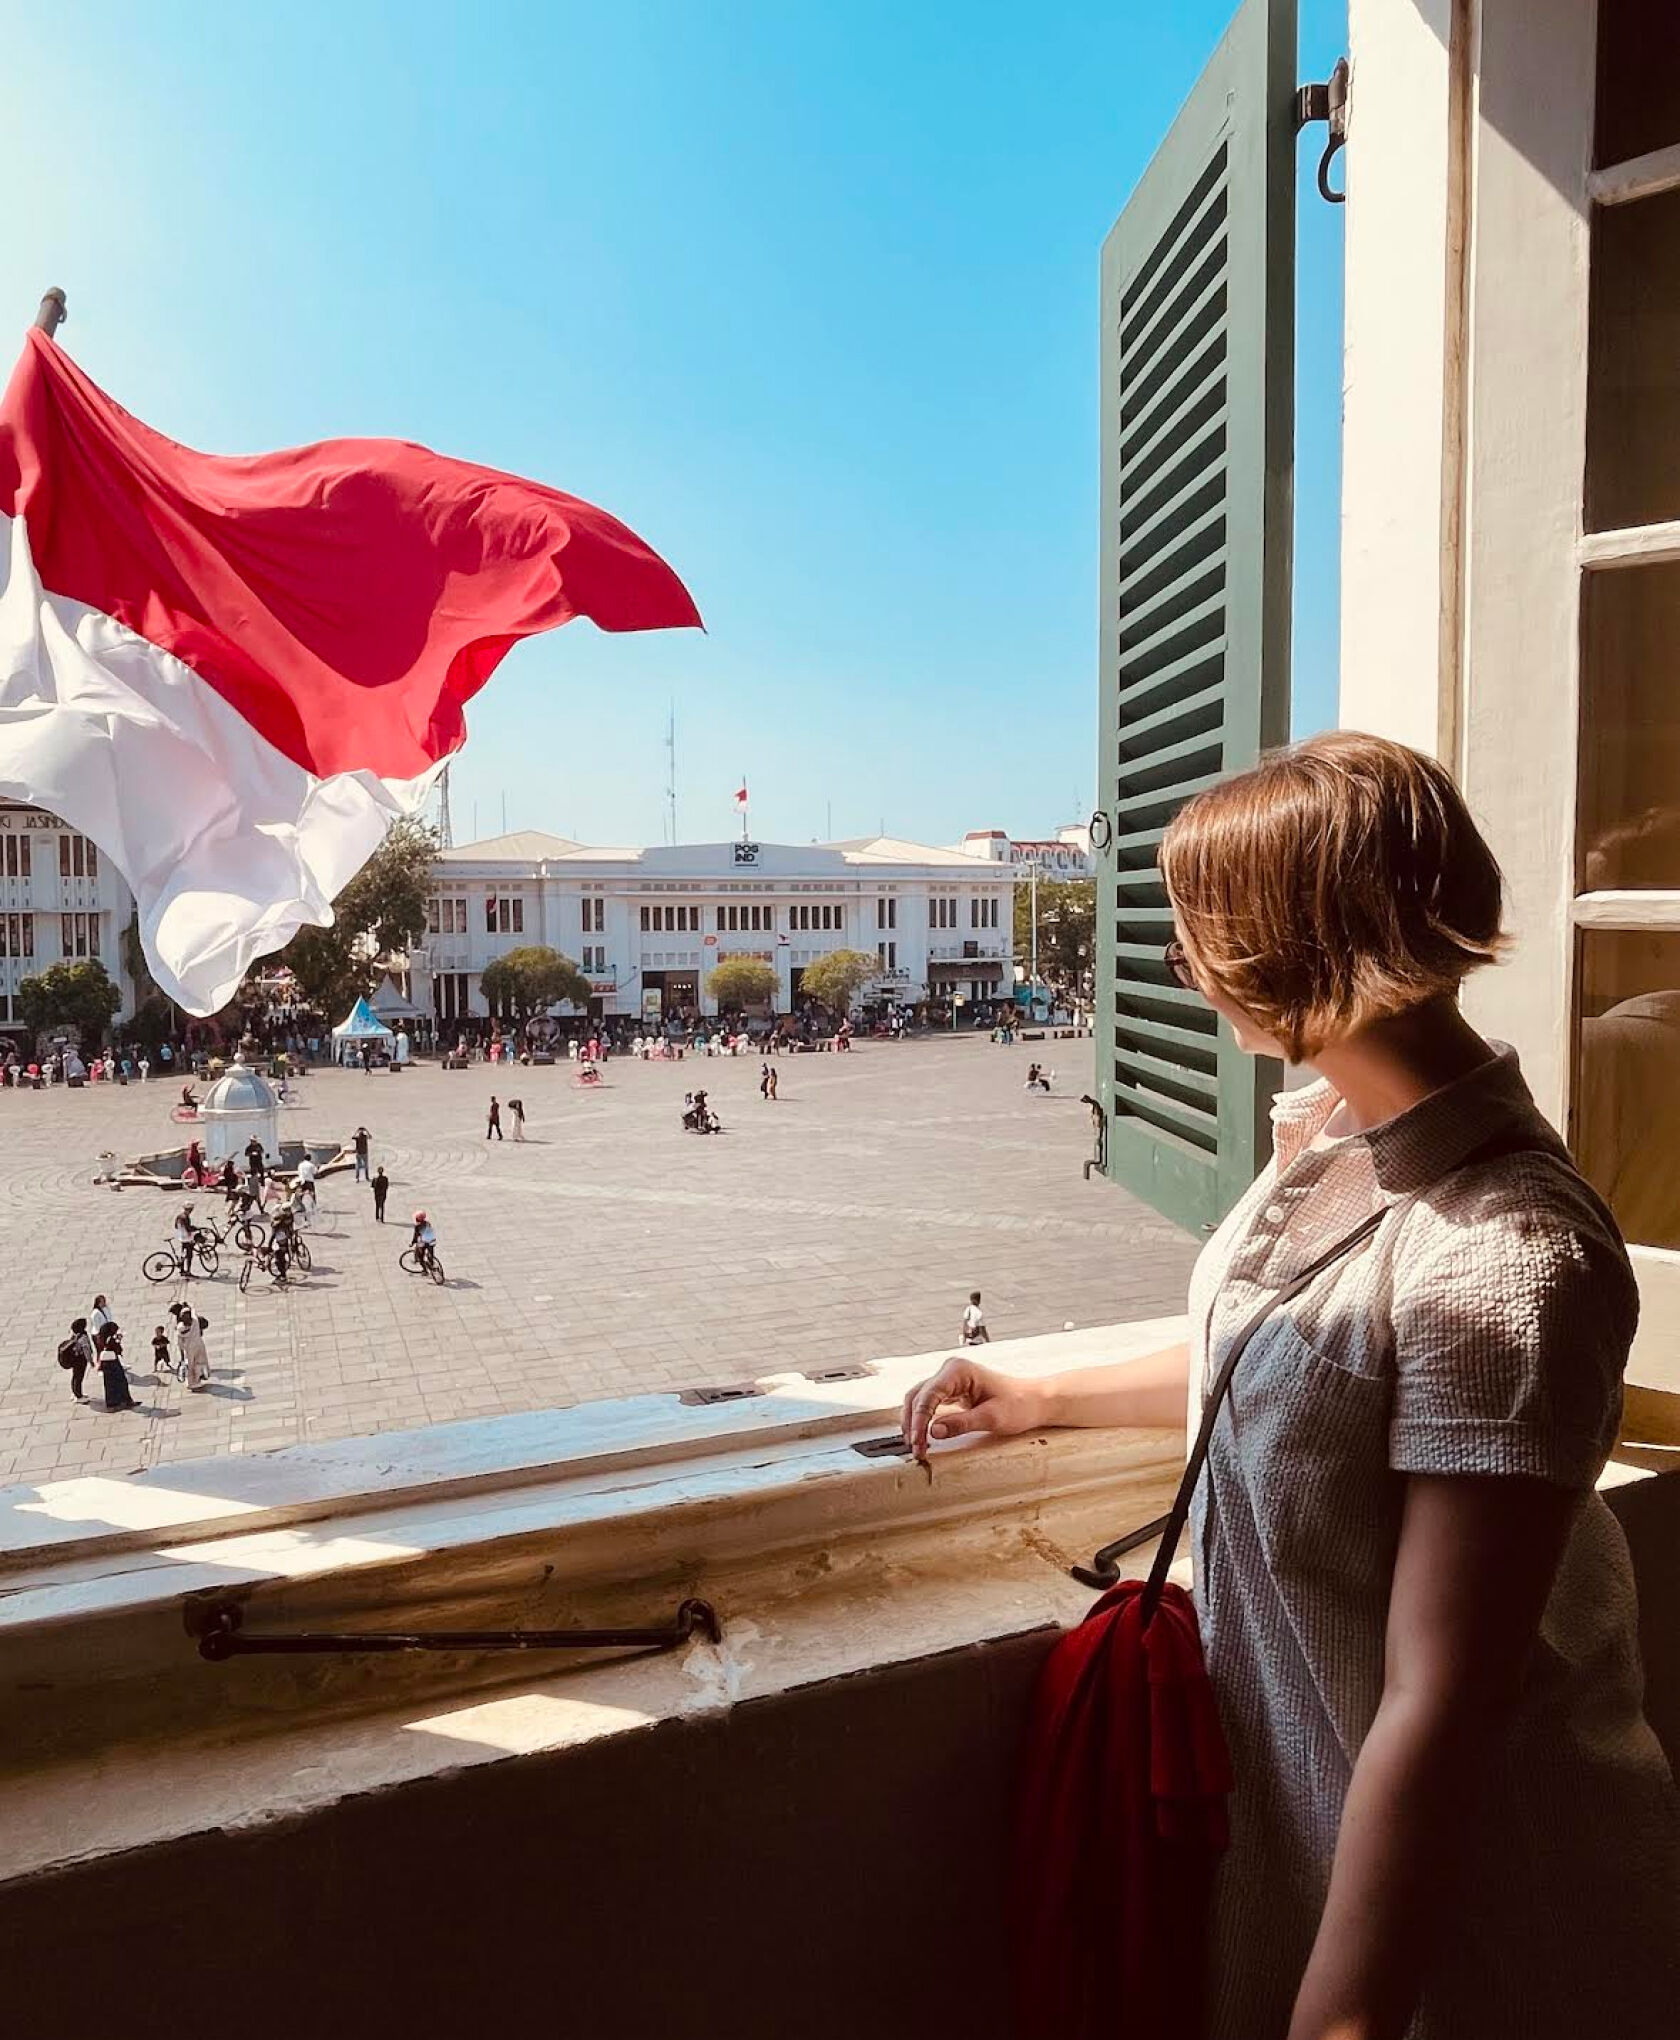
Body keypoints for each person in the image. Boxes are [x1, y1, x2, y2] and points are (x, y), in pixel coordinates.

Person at [902, 732, 1679, 2040]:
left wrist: (1344, 2016)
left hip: (1479, 1919)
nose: (1186, 969)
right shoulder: (1341, 1137)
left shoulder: (1503, 1254)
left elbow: (1447, 1702)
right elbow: (1291, 1363)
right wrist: (1041, 1398)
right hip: (1317, 1835)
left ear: (1290, 951)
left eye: (1195, 940)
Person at [96, 1322, 138, 1412]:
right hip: (112, 1362)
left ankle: (112, 1402)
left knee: (109, 1383)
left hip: (105, 1363)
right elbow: (117, 1349)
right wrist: (118, 1340)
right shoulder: (111, 1339)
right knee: (121, 1381)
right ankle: (126, 1400)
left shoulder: (101, 1338)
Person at [63, 1316, 94, 1402]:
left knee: (75, 1376)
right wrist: (90, 1361)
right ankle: (79, 1396)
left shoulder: (75, 1335)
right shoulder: (83, 1337)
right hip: (80, 1360)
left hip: (75, 1359)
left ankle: (75, 1393)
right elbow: (86, 1350)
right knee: (79, 1377)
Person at [410, 1209, 437, 1273]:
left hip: (423, 1242)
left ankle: (425, 1270)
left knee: (421, 1257)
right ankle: (432, 1265)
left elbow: (415, 1236)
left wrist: (412, 1243)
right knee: (430, 1254)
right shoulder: (428, 1223)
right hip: (431, 1241)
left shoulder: (417, 1226)